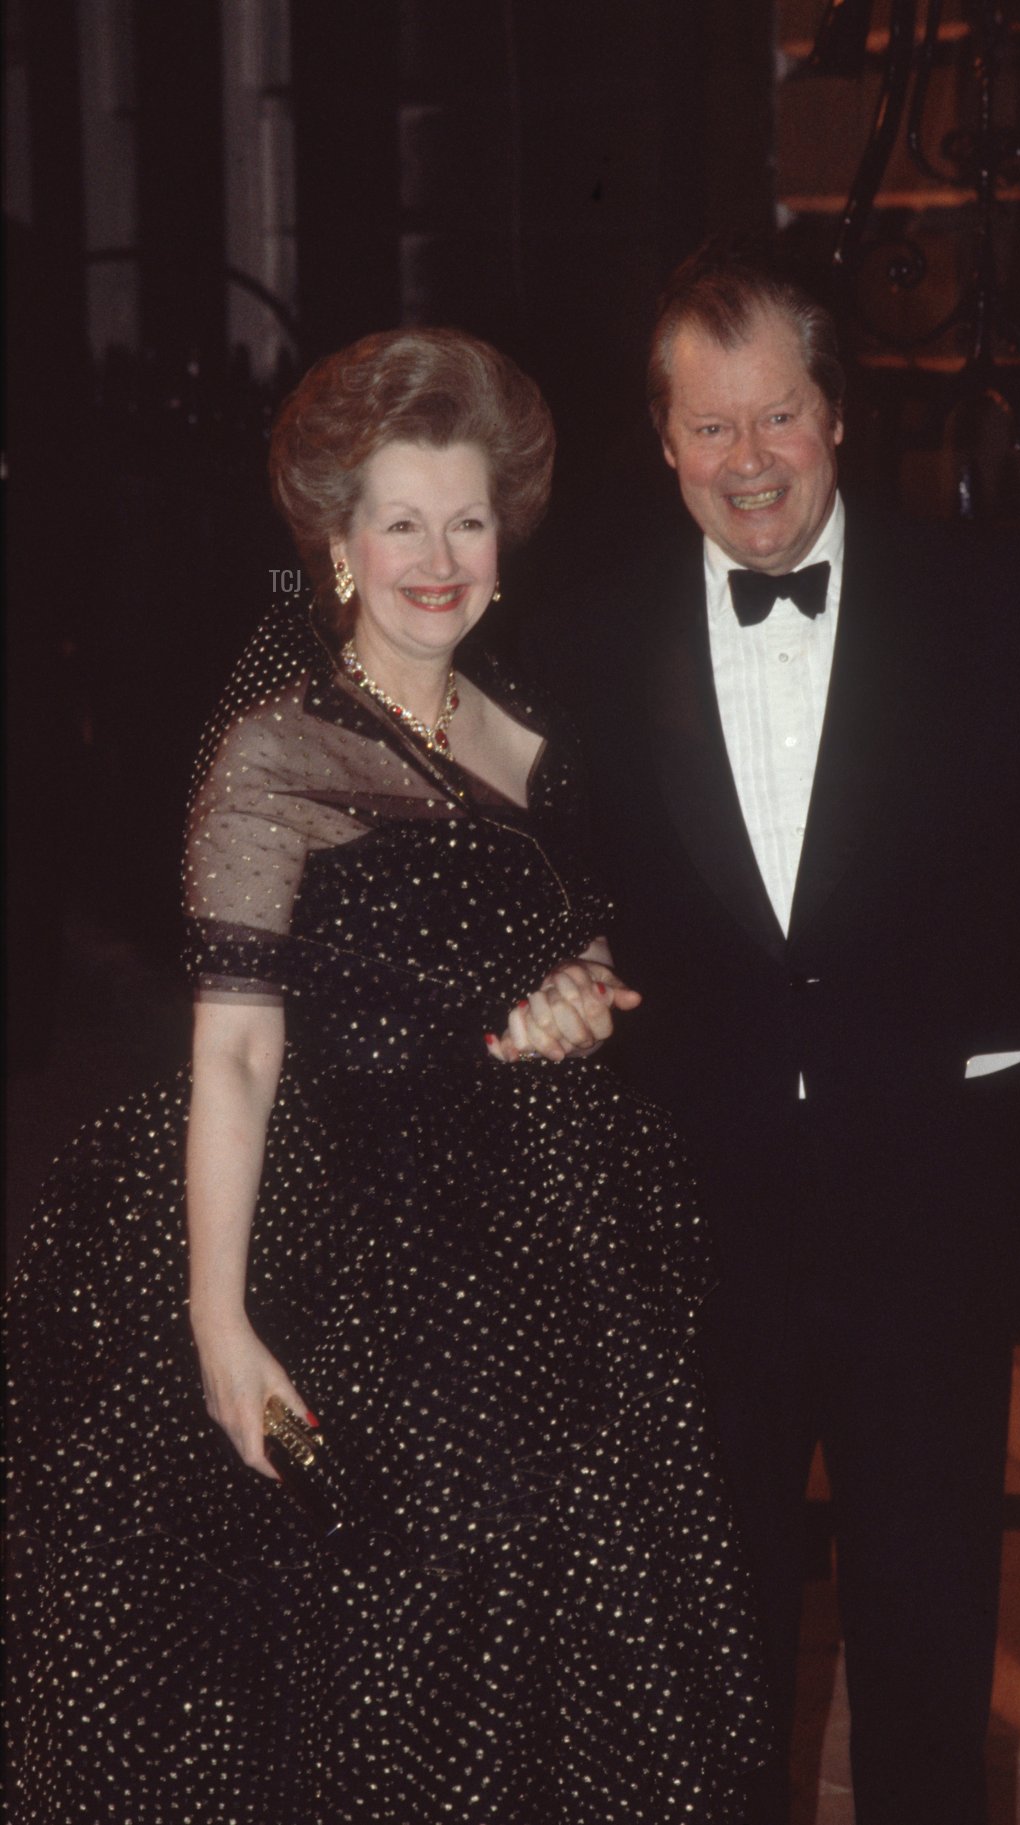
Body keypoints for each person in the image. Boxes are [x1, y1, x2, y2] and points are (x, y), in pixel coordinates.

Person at [7, 326, 771, 1822]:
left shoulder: (535, 723)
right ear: (340, 542)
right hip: (353, 1258)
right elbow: (232, 1047)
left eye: (468, 519)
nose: (440, 554)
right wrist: (219, 1323)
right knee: (389, 1654)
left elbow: (581, 943)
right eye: (403, 520)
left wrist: (584, 998)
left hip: (555, 1259)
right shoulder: (274, 757)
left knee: (582, 1650)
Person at [526, 240, 1020, 1824]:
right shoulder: (588, 640)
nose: (747, 463)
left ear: (835, 413)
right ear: (664, 437)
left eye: (776, 419)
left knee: (925, 1639)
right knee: (719, 1659)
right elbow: (494, 838)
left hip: (936, 1209)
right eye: (710, 428)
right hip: (700, 1225)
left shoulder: (999, 602)